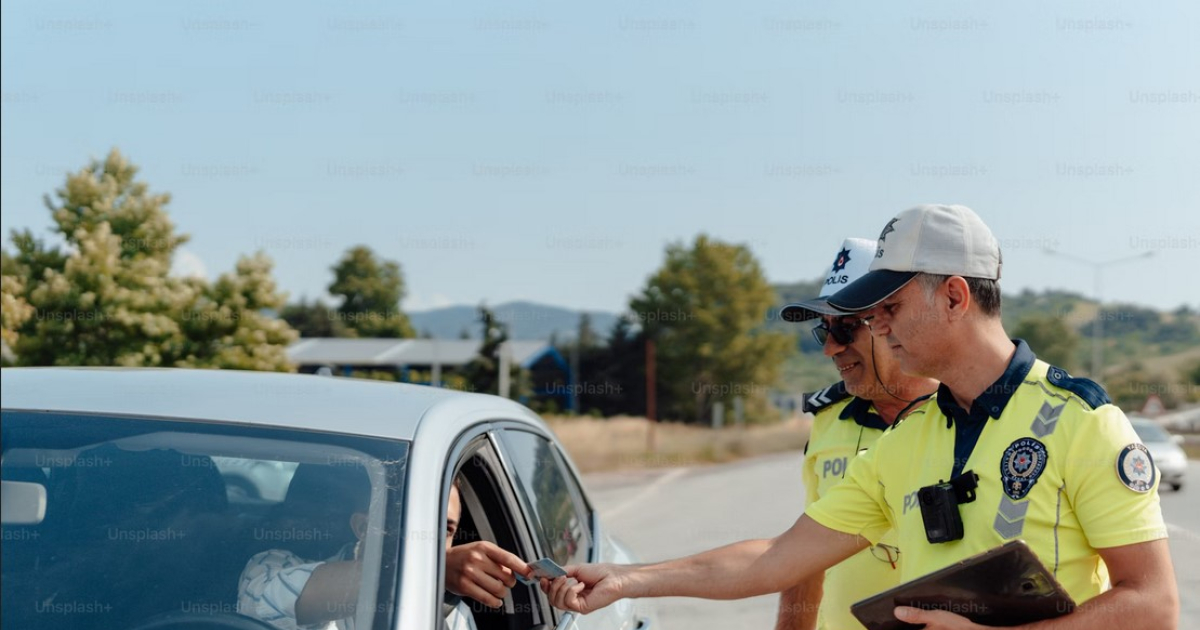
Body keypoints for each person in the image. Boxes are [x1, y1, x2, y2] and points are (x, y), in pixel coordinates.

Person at [542, 204, 1177, 630]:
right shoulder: (911, 437)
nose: (876, 328)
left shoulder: (1081, 421)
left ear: (955, 295)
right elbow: (777, 558)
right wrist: (626, 579)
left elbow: (1153, 603)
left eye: (888, 309)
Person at [776, 237, 938, 630]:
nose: (830, 349)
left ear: (897, 321)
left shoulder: (971, 412)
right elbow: (805, 558)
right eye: (824, 331)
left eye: (846, 330)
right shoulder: (828, 420)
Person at [239, 467, 528, 630]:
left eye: (447, 530)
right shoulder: (274, 564)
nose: (435, 545)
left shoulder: (448, 612)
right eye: (416, 524)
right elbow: (263, 603)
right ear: (363, 528)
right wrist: (425, 569)